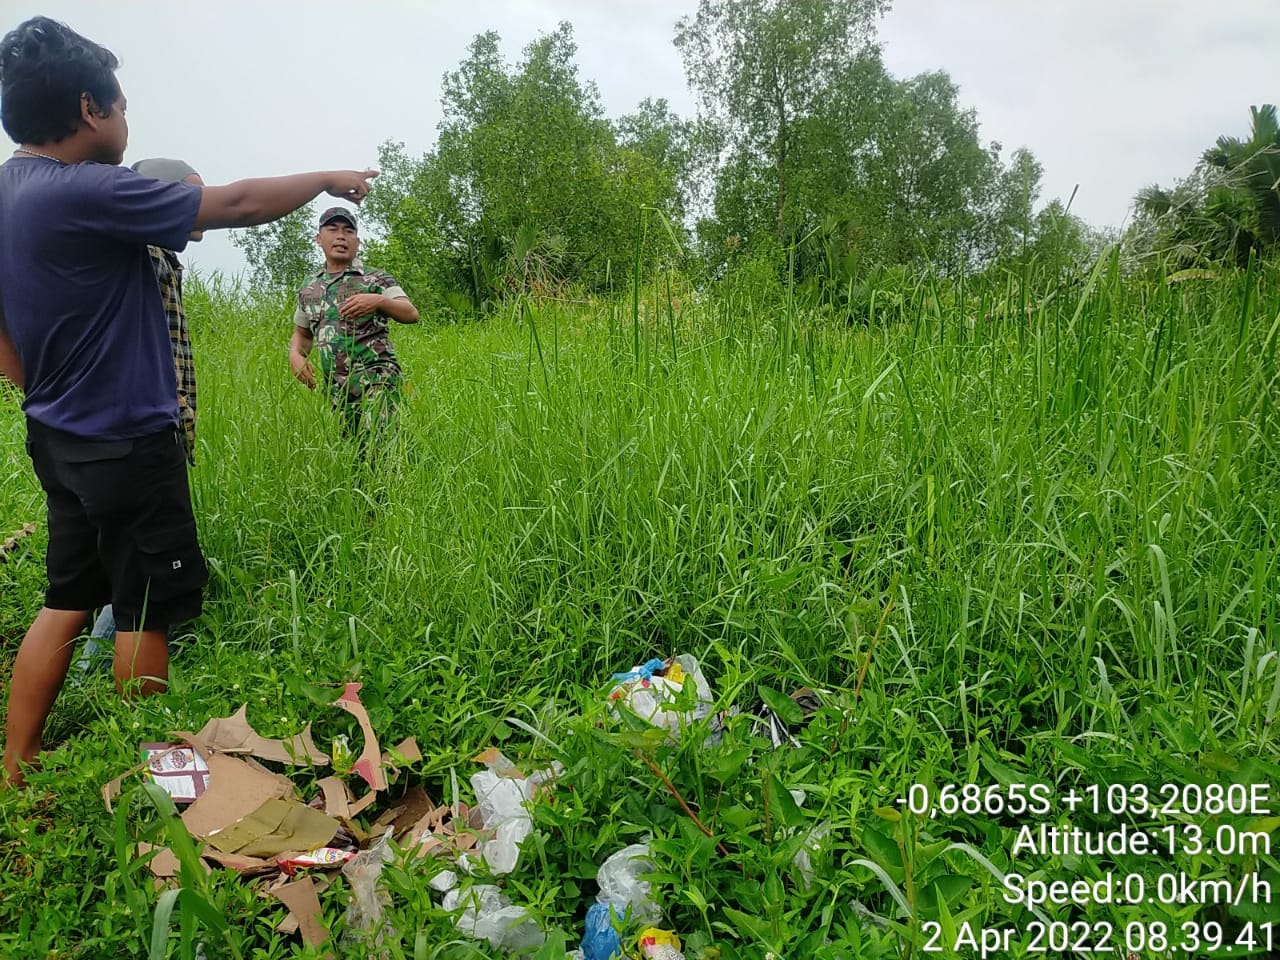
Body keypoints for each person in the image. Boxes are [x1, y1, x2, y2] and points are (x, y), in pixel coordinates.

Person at [0, 15, 379, 786]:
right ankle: (161, 777)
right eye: (122, 105)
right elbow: (233, 204)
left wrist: (35, 387)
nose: (126, 120)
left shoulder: (9, 191)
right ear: (89, 110)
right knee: (146, 603)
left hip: (58, 436)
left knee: (69, 594)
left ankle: (18, 759)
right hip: (128, 440)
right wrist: (322, 180)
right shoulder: (86, 192)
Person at [77, 158, 206, 674]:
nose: (200, 208)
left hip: (158, 423)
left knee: (125, 555)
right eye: (190, 196)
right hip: (141, 430)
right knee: (136, 562)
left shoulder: (163, 256)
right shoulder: (137, 253)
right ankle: (101, 676)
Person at [289, 207, 419, 448]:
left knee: (381, 450)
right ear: (319, 239)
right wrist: (295, 355)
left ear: (357, 241)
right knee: (352, 458)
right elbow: (302, 333)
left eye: (348, 231)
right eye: (333, 229)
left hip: (378, 377)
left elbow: (411, 313)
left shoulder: (376, 279)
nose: (341, 236)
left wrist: (379, 301)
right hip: (337, 388)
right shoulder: (309, 288)